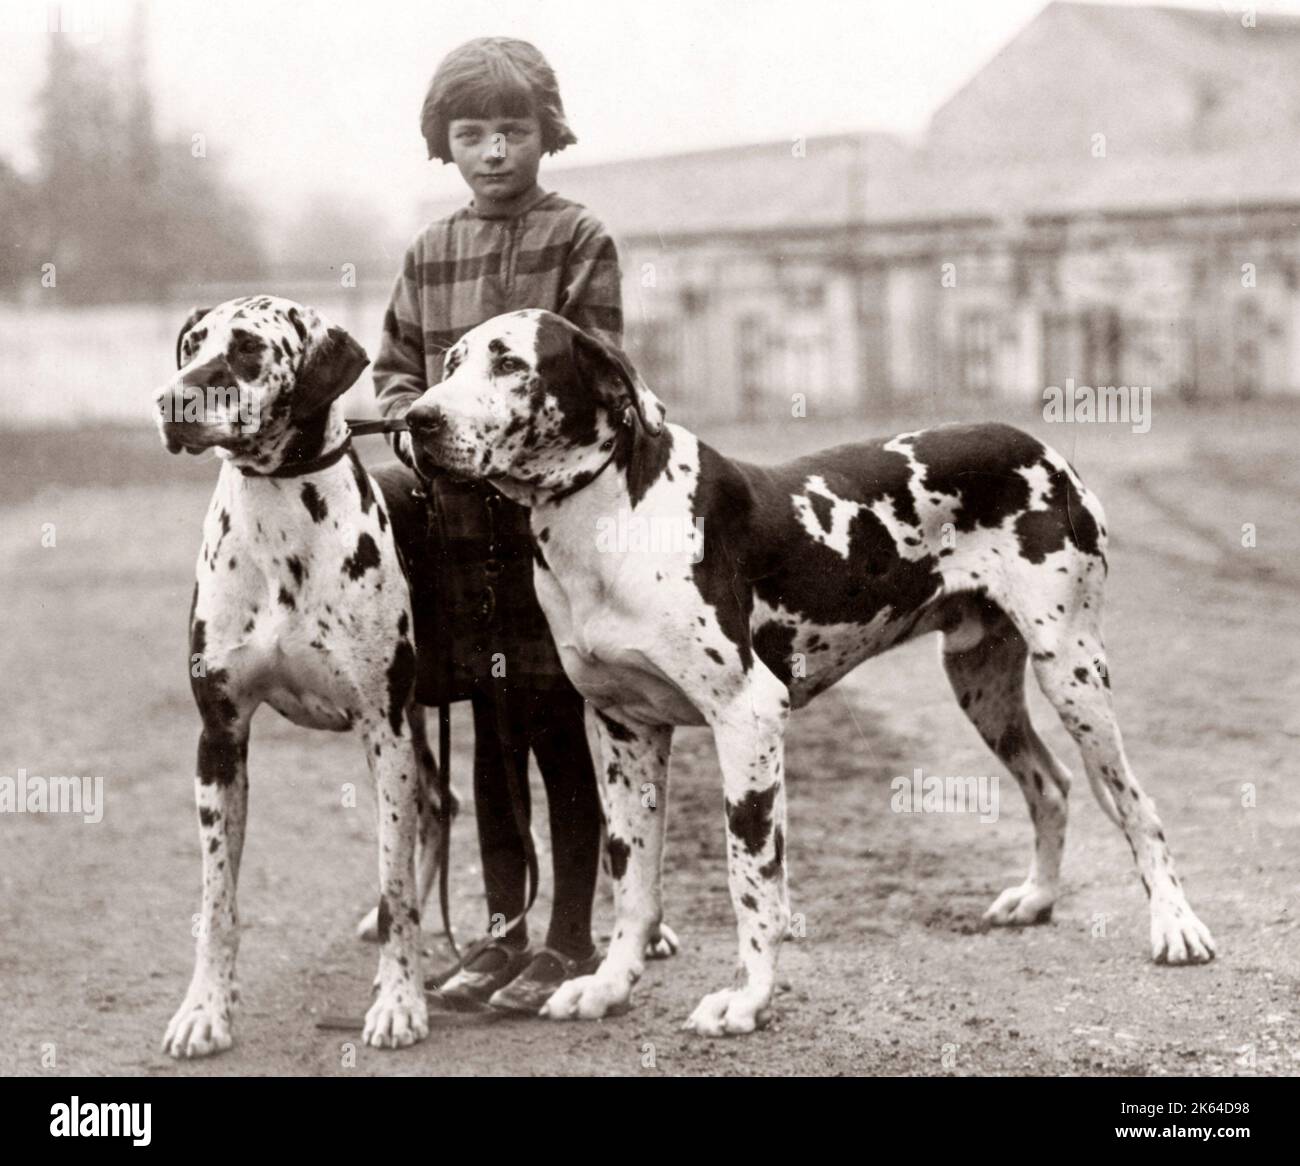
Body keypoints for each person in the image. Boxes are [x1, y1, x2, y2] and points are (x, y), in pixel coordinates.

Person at [372, 36, 621, 1013]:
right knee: (486, 721)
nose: (491, 151)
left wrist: (507, 441)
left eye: (511, 129)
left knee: (558, 718)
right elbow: (394, 372)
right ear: (445, 140)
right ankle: (498, 932)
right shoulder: (429, 253)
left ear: (544, 132)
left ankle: (568, 935)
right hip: (455, 532)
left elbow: (599, 377)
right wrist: (412, 416)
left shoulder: (580, 237)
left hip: (551, 528)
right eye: (470, 132)